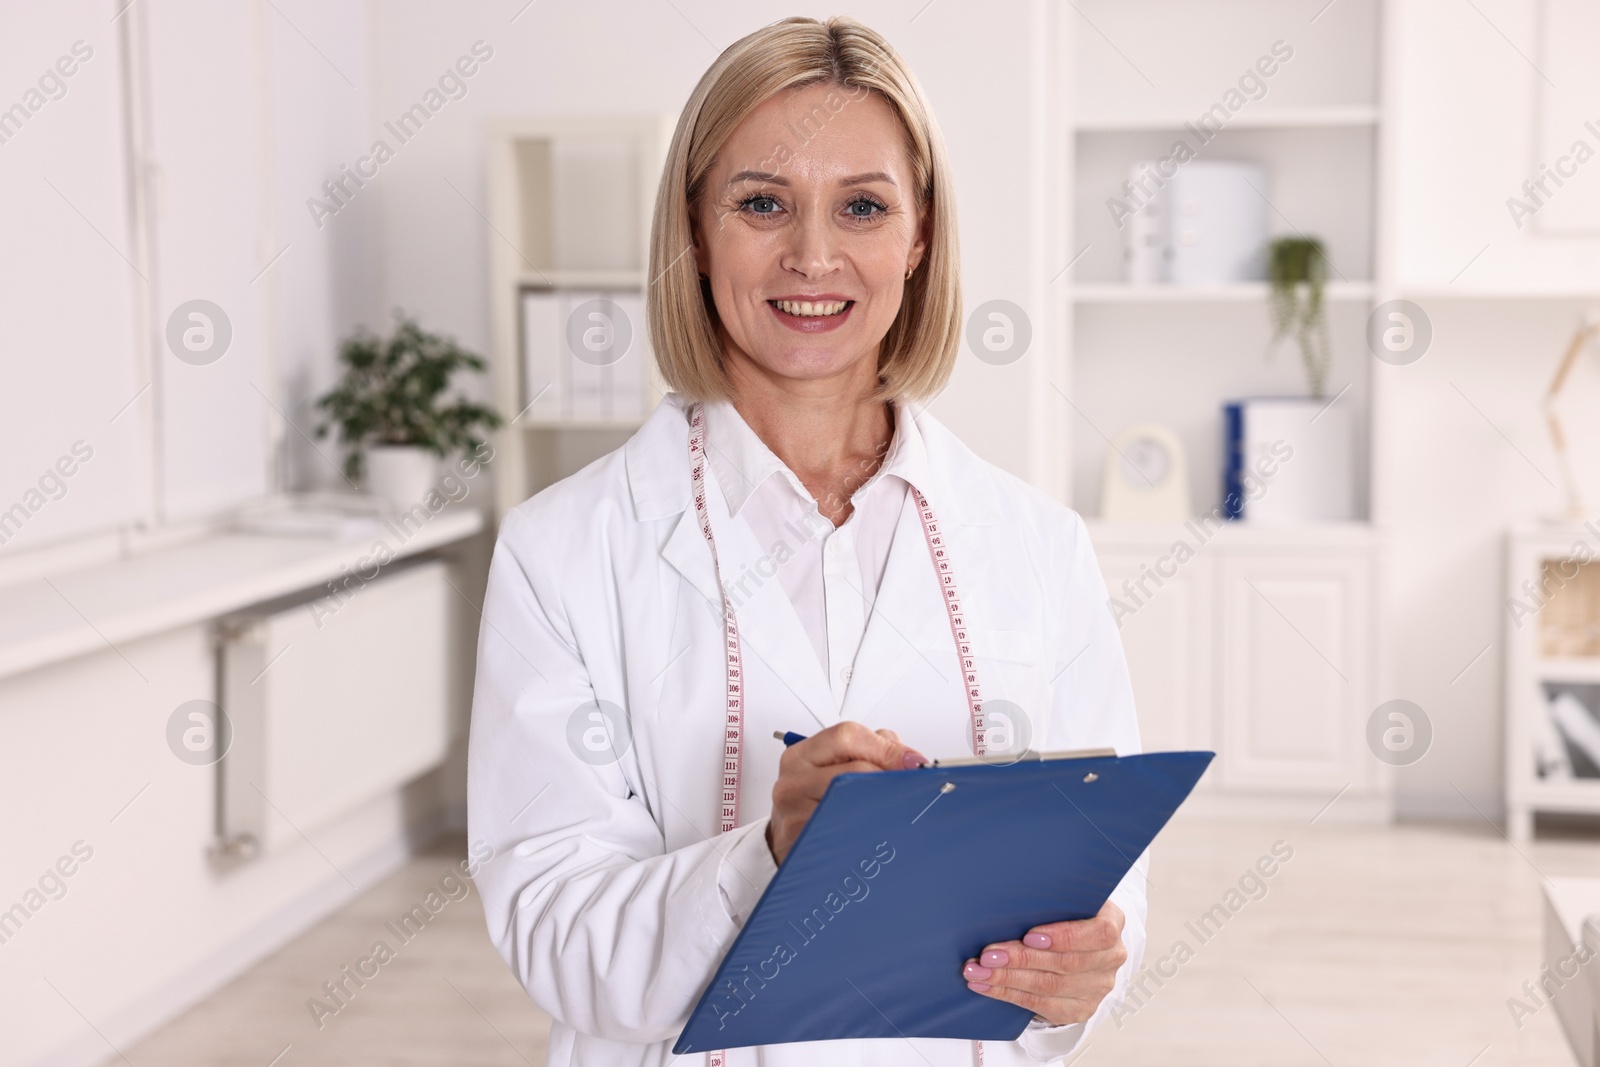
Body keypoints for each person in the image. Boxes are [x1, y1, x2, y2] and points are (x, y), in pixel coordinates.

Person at [467, 14, 1146, 1066]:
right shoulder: (562, 550)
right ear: (695, 228)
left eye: (863, 206)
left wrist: (1078, 973)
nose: (813, 254)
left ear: (919, 238)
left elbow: (1106, 894)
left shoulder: (1037, 546)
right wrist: (776, 852)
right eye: (761, 202)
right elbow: (555, 933)